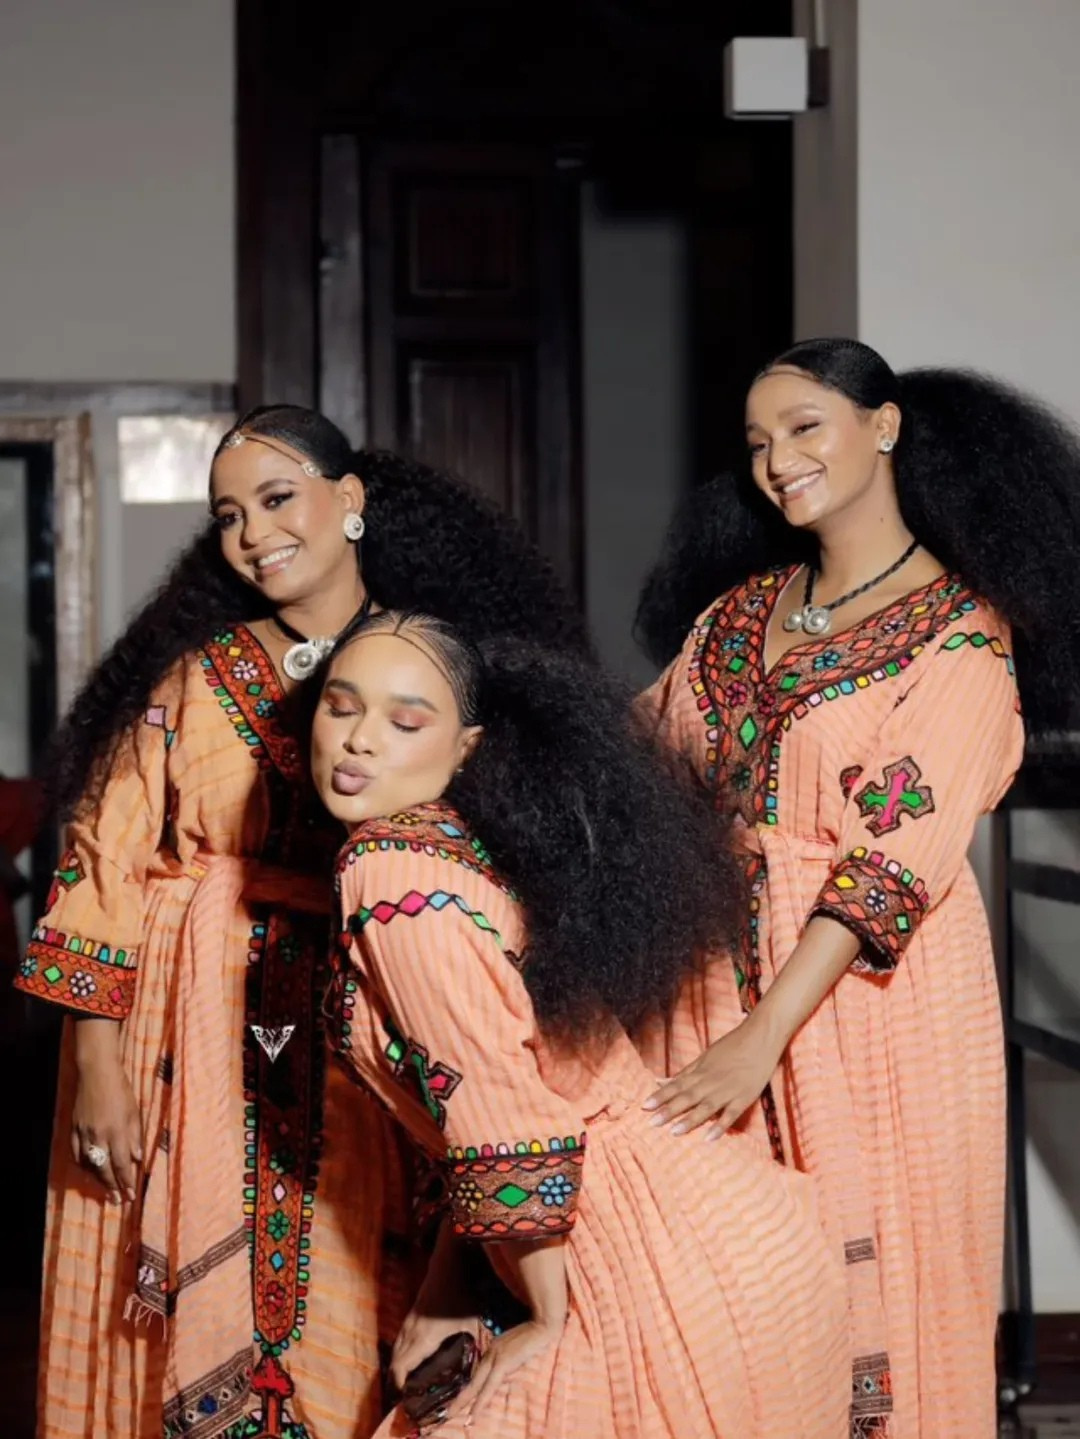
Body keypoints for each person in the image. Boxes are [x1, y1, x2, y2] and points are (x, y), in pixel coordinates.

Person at [16, 406, 589, 1439]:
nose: (253, 532)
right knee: (158, 1326)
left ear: (350, 502)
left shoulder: (426, 667)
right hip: (175, 1050)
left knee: (346, 1314)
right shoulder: (193, 680)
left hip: (364, 1035)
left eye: (277, 498)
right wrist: (95, 1059)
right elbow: (104, 859)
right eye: (229, 513)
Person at [632, 338, 1080, 1439]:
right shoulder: (736, 613)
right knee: (727, 1295)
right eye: (756, 443)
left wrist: (763, 1035)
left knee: (884, 1296)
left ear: (883, 427)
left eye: (803, 427)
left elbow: (888, 869)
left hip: (872, 1008)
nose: (777, 461)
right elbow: (640, 754)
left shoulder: (963, 633)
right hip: (713, 979)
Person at [315, 608, 850, 1439]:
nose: (359, 740)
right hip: (715, 1234)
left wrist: (554, 1319)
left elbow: (502, 1112)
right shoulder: (468, 841)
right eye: (340, 706)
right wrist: (446, 1287)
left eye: (404, 719)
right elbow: (494, 1096)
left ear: (466, 747)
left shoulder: (390, 871)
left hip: (629, 1263)